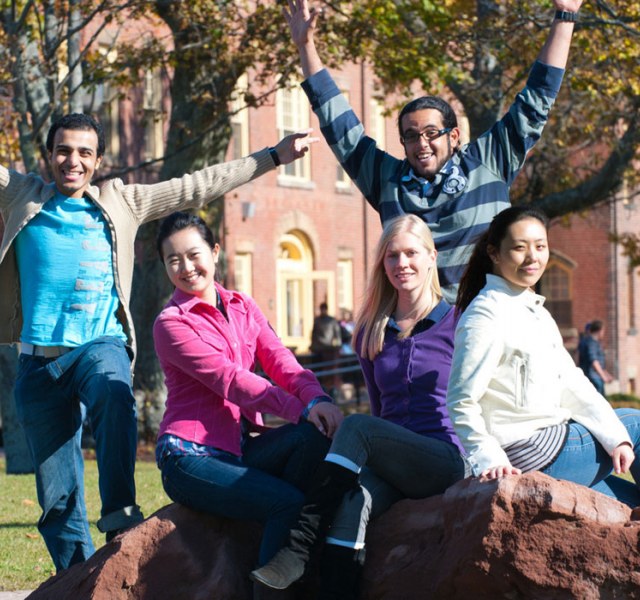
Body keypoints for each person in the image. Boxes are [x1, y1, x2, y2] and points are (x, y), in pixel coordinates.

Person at [0, 111, 317, 572]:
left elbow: (198, 185)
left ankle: (121, 516)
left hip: (98, 346)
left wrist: (272, 157)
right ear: (49, 155)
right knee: (57, 501)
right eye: (63, 150)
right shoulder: (24, 195)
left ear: (99, 160)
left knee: (112, 390)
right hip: (38, 365)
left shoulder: (121, 202)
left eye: (84, 153)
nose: (73, 160)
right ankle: (84, 580)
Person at [285, 0, 583, 302]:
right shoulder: (388, 182)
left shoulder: (489, 161)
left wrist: (565, 16)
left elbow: (537, 97)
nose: (421, 144)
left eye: (431, 133)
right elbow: (340, 126)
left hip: (487, 321)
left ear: (454, 135)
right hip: (423, 332)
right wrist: (305, 46)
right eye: (411, 136)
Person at [251, 214, 470, 598]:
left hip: (446, 459)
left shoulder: (459, 323)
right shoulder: (371, 331)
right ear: (382, 264)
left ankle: (299, 546)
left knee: (355, 425)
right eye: (391, 256)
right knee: (353, 500)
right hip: (393, 463)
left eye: (411, 253)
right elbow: (381, 409)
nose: (401, 264)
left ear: (432, 256)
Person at [153, 212, 344, 570]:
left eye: (194, 254)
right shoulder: (171, 324)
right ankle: (271, 585)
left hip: (240, 448)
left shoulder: (242, 306)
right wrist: (298, 409)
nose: (186, 267)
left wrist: (317, 400)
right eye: (173, 260)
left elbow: (281, 361)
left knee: (312, 438)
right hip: (190, 458)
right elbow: (231, 381)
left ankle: (280, 551)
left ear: (215, 252)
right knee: (285, 502)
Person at [447, 205, 640, 507]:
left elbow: (571, 383)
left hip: (550, 445)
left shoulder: (533, 310)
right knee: (637, 423)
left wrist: (616, 439)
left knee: (627, 502)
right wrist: (490, 458)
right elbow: (461, 400)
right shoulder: (486, 315)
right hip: (529, 451)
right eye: (519, 248)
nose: (532, 257)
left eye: (540, 246)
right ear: (494, 253)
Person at [310, 302, 343, 393]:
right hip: (319, 350)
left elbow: (337, 334)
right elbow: (314, 334)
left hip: (328, 350)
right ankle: (320, 388)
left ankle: (329, 388)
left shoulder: (331, 321)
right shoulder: (317, 320)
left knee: (329, 371)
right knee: (319, 371)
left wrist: (338, 347)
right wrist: (313, 346)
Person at [578, 319, 613, 395]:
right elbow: (594, 361)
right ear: (600, 330)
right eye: (603, 330)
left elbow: (600, 364)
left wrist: (606, 374)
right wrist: (603, 376)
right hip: (593, 378)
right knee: (599, 404)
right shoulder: (591, 343)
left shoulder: (595, 343)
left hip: (596, 377)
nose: (603, 333)